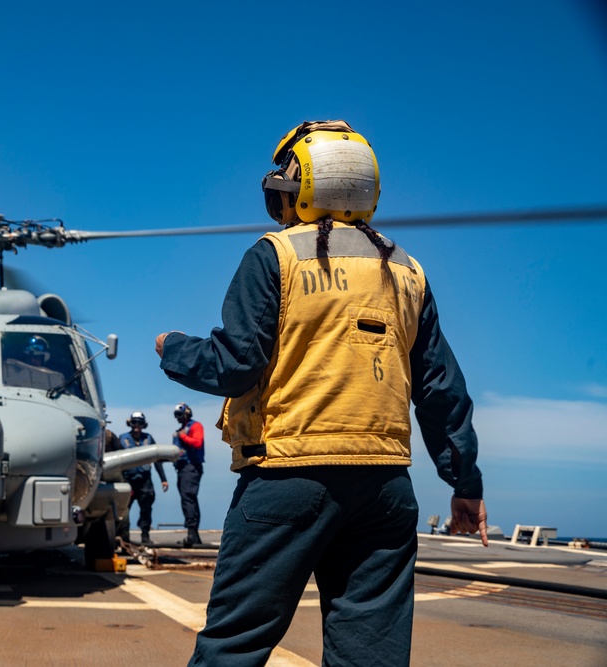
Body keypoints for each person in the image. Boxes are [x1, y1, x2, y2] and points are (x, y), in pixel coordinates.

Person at [155, 120, 488, 666]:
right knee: (369, 655)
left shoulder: (275, 256)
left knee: (234, 645)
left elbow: (235, 365)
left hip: (288, 477)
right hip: (384, 488)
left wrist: (173, 348)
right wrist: (465, 481)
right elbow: (440, 388)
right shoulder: (407, 271)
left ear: (299, 186)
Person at [118, 411, 169, 546]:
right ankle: (123, 538)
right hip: (127, 480)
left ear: (143, 425)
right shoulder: (122, 438)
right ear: (130, 423)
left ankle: (145, 536)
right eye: (134, 422)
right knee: (123, 510)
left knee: (146, 509)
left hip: (145, 480)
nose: (137, 425)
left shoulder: (149, 439)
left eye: (140, 423)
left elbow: (157, 459)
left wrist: (163, 479)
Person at [171, 402, 204, 547]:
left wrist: (183, 437)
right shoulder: (180, 430)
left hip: (191, 467)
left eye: (180, 414)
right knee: (188, 498)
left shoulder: (195, 426)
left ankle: (192, 533)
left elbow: (197, 443)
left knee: (188, 498)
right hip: (183, 468)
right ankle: (194, 534)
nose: (178, 417)